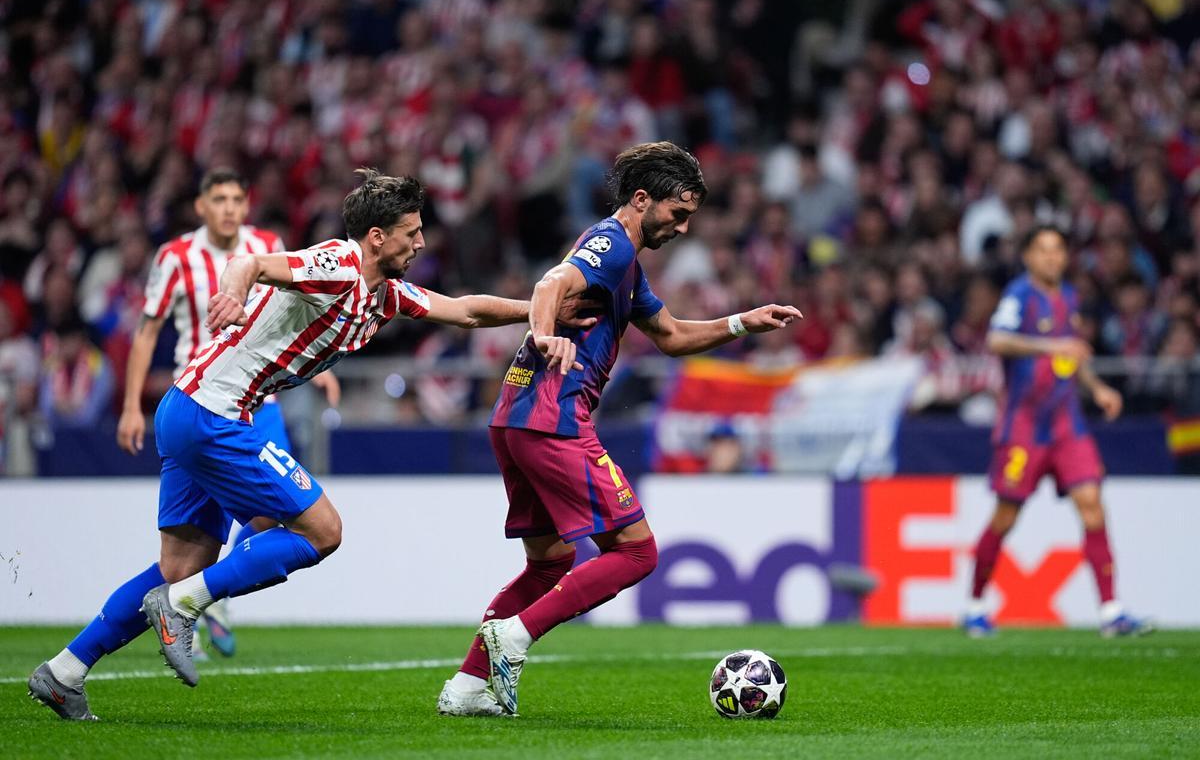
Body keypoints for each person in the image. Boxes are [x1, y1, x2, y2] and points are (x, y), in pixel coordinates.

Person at [27, 169, 591, 721]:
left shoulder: (386, 295)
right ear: (377, 237)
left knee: (179, 567)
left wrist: (541, 313)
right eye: (411, 232)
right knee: (322, 531)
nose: (421, 242)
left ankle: (67, 670)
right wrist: (232, 290)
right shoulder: (339, 264)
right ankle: (185, 605)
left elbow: (465, 309)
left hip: (190, 409)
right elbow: (248, 262)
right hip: (214, 415)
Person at [438, 141, 802, 717]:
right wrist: (541, 333)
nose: (683, 227)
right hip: (553, 416)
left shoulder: (627, 266)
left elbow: (673, 337)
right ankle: (516, 636)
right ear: (642, 199)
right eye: (677, 213)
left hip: (516, 416)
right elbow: (547, 287)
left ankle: (466, 687)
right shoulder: (608, 244)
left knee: (550, 563)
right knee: (637, 552)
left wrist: (741, 322)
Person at [116, 168, 338, 658]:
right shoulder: (175, 257)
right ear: (201, 206)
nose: (230, 208)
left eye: (238, 197)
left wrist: (318, 367)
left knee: (272, 518)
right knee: (198, 549)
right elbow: (147, 330)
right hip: (201, 398)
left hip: (263, 401)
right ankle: (199, 596)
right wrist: (131, 404)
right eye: (219, 198)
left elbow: (294, 309)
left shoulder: (265, 242)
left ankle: (204, 596)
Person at [965, 225, 1151, 638]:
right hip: (1024, 429)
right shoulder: (1019, 295)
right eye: (1043, 250)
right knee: (1005, 517)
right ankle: (975, 605)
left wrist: (1098, 387)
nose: (1051, 257)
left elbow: (1073, 351)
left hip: (1068, 424)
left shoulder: (1068, 297)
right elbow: (997, 340)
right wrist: (1051, 347)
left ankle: (1111, 611)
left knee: (1092, 504)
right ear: (1028, 256)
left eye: (1058, 250)